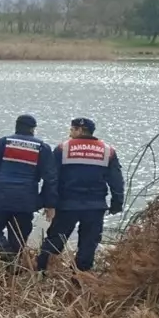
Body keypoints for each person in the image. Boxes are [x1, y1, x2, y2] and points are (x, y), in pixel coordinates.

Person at [36, 116, 125, 274]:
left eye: (72, 129)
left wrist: (49, 203)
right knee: (88, 244)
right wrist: (117, 203)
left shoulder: (63, 149)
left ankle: (41, 271)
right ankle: (79, 278)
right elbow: (116, 181)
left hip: (67, 205)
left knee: (56, 239)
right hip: (95, 206)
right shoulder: (108, 151)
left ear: (79, 130)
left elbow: (52, 178)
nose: (70, 133)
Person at [0, 114, 58, 264]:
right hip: (26, 200)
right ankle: (12, 268)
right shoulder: (42, 148)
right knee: (18, 236)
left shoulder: (4, 142)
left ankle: (4, 251)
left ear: (16, 126)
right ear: (33, 129)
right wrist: (49, 204)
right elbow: (51, 179)